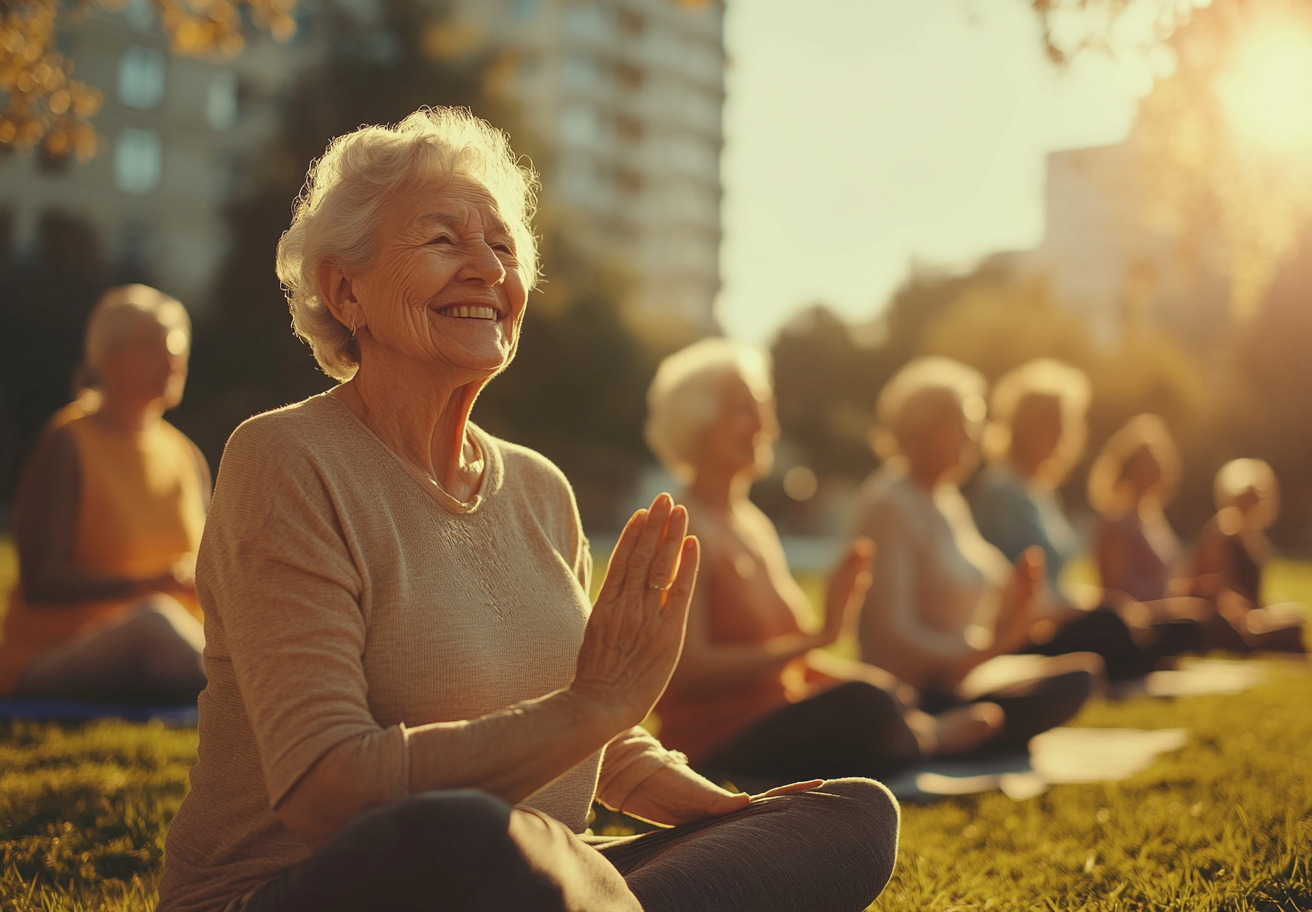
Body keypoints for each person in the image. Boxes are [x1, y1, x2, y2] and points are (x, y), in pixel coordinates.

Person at [156, 109, 899, 912]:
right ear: (345, 291)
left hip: (546, 873)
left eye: (504, 247)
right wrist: (591, 708)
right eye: (444, 240)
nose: (486, 268)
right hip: (312, 887)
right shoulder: (286, 459)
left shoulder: (542, 489)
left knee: (850, 813)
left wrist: (713, 808)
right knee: (490, 835)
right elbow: (329, 792)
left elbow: (599, 744)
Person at [645, 340, 1004, 788]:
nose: (764, 425)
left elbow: (784, 659)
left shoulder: (752, 523)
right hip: (715, 743)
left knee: (875, 691)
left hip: (783, 712)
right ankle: (926, 739)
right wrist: (821, 638)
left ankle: (916, 733)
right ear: (697, 422)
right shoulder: (681, 524)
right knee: (864, 704)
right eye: (744, 410)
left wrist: (858, 674)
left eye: (764, 409)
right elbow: (686, 669)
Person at [849, 357, 1100, 747]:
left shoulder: (947, 501)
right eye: (959, 424)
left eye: (973, 423)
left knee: (1081, 674)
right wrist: (977, 652)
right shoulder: (889, 504)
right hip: (913, 691)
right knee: (1056, 686)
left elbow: (1000, 582)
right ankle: (931, 735)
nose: (972, 436)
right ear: (919, 429)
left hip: (964, 676)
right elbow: (891, 634)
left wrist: (1024, 601)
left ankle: (956, 732)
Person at [0, 285, 208, 705]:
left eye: (177, 346)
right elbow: (42, 582)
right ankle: (267, 697)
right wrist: (147, 584)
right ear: (108, 358)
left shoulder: (185, 455)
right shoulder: (68, 441)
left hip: (174, 645)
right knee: (154, 622)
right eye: (152, 346)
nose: (172, 358)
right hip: (54, 653)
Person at [970, 359, 1197, 678]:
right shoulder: (1002, 490)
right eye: (1049, 423)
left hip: (1055, 619)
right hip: (1024, 631)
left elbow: (1058, 585)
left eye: (1063, 423)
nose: (1059, 433)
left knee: (1179, 623)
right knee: (1113, 624)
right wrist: (1085, 607)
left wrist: (1095, 600)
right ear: (1021, 424)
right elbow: (1008, 586)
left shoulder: (1041, 492)